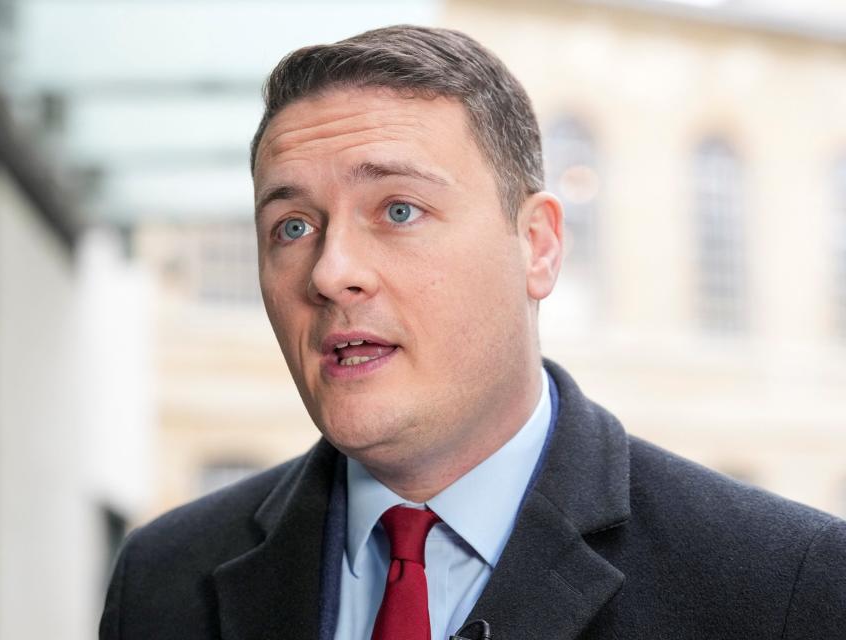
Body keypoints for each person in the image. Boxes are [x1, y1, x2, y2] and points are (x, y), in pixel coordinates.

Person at [99, 25, 846, 640]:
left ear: (538, 245)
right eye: (291, 227)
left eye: (398, 210)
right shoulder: (164, 580)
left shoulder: (784, 586)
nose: (330, 272)